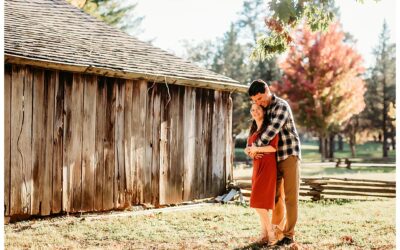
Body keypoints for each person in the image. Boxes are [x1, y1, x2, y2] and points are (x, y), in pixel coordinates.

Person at [247, 79, 301, 246]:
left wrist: (255, 147)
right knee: (276, 197)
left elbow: (271, 131)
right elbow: (257, 129)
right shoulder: (264, 109)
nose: (259, 102)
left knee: (291, 197)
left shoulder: (281, 106)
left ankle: (288, 235)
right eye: (255, 101)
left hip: (289, 154)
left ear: (268, 91)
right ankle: (276, 232)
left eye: (261, 98)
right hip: (273, 159)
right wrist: (251, 148)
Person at [244, 103, 280, 246]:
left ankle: (271, 232)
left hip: (267, 166)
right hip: (257, 166)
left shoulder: (269, 128)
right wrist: (250, 152)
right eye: (252, 109)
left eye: (258, 109)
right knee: (261, 204)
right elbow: (248, 148)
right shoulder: (253, 129)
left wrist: (257, 149)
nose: (255, 111)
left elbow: (273, 148)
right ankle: (264, 234)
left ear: (264, 112)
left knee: (257, 202)